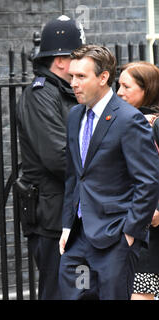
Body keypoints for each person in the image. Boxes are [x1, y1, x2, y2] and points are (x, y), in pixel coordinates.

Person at [58, 45, 159, 300]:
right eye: (72, 76)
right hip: (78, 240)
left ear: (103, 78)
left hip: (115, 240)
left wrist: (130, 234)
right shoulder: (74, 115)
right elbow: (74, 175)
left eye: (82, 76)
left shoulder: (128, 119)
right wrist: (68, 226)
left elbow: (147, 182)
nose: (74, 83)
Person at [15, 15, 83, 300]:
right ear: (60, 61)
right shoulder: (41, 95)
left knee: (82, 290)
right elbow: (58, 156)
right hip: (52, 217)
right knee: (58, 292)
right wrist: (100, 177)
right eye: (77, 57)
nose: (82, 63)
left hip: (74, 212)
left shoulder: (68, 92)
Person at [117, 61, 159, 300]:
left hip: (150, 229)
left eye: (126, 86)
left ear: (147, 89)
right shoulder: (122, 121)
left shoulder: (154, 123)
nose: (119, 92)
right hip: (126, 224)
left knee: (140, 293)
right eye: (118, 85)